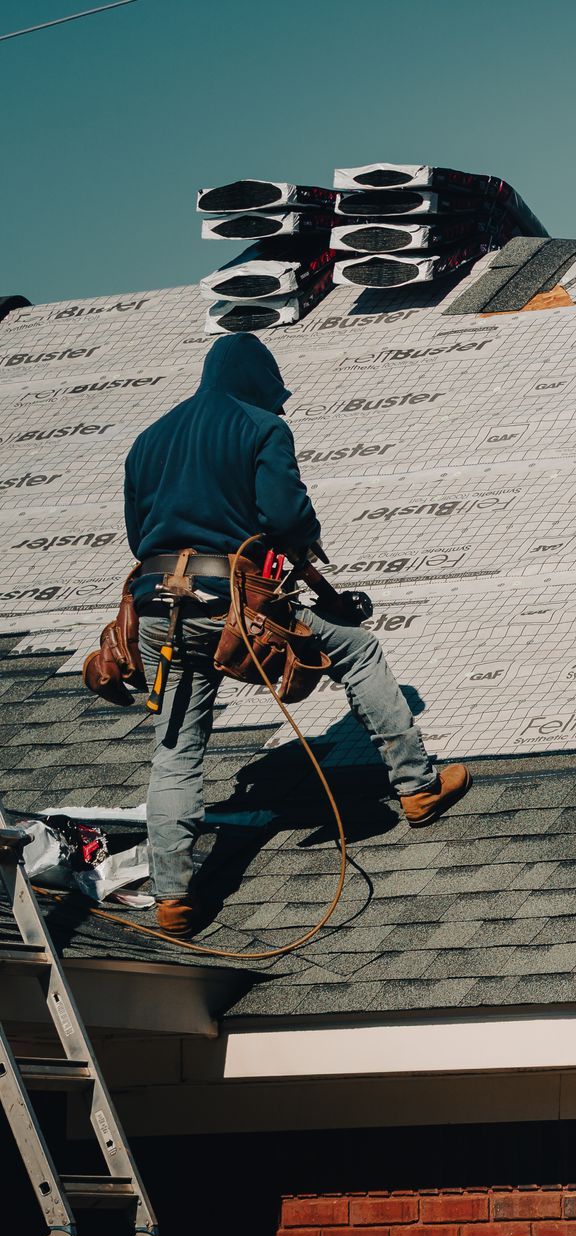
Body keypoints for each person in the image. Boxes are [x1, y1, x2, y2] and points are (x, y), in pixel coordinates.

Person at [123, 333, 469, 938]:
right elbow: (286, 518)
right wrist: (298, 539)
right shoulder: (259, 427)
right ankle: (417, 788)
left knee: (176, 751)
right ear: (258, 383)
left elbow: (138, 535)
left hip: (156, 608)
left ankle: (172, 900)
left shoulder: (148, 440)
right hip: (232, 607)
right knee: (356, 648)